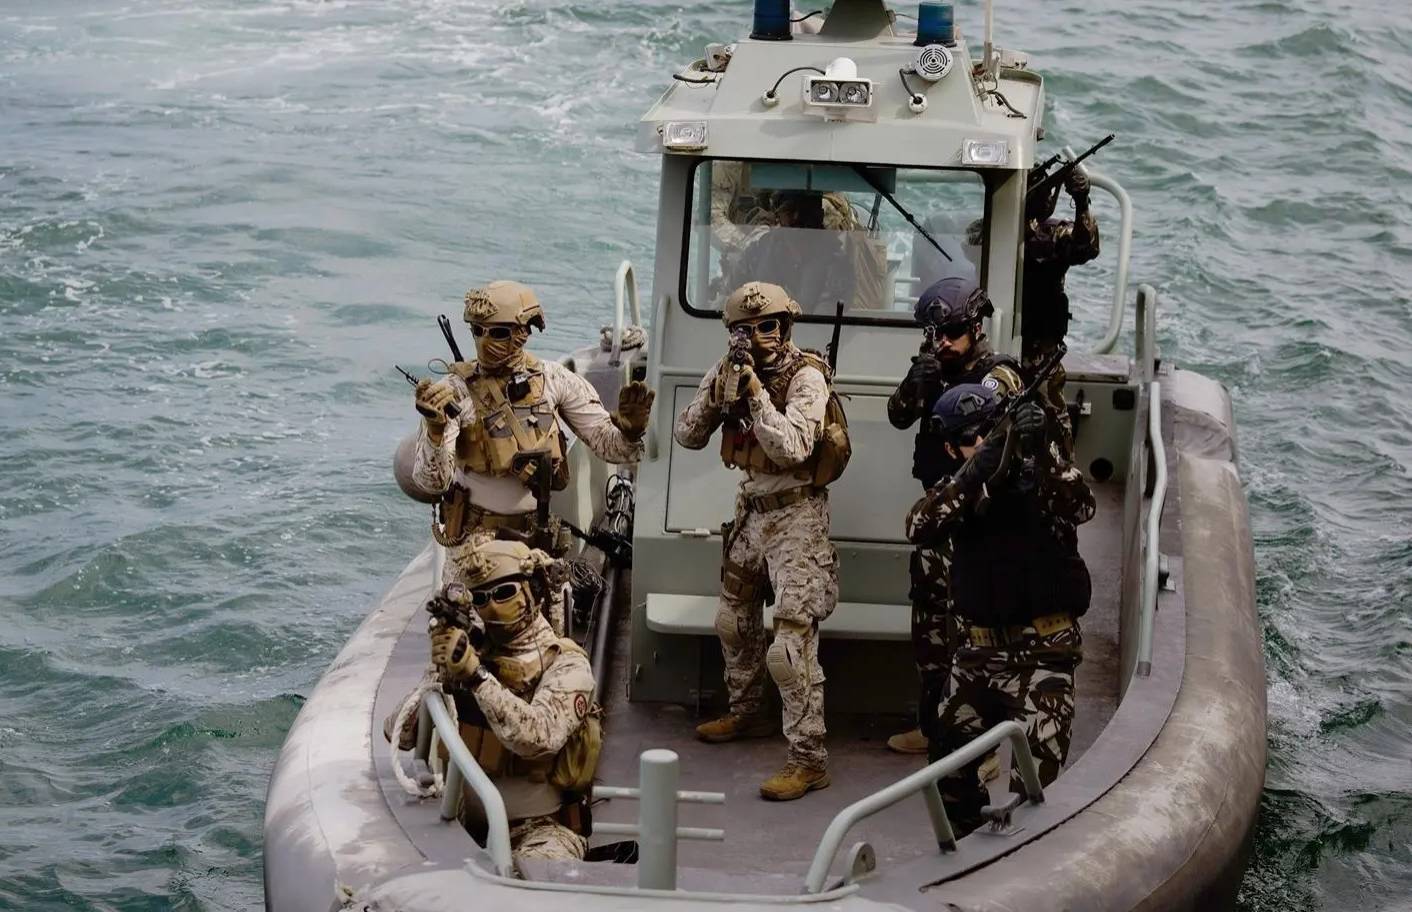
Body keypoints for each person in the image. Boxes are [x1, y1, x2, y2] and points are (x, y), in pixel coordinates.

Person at [673, 281, 849, 801]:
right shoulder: (728, 370)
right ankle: (747, 712)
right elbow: (687, 435)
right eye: (745, 329)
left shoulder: (807, 377)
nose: (758, 337)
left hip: (797, 516)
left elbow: (793, 448)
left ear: (786, 327)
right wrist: (718, 395)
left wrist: (755, 397)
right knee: (732, 619)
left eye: (768, 326)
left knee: (789, 647)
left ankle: (808, 759)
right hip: (752, 511)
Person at [412, 279, 654, 633]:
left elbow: (609, 445)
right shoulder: (455, 392)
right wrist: (435, 431)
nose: (484, 341)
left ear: (523, 332)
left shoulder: (554, 380)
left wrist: (630, 432)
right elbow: (431, 482)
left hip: (537, 543)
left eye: (496, 332)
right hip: (474, 546)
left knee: (547, 643)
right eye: (477, 331)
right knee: (470, 641)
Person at [906, 383, 1095, 838]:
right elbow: (919, 526)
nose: (980, 440)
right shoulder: (961, 490)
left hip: (1043, 654)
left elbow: (1082, 505)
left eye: (988, 430)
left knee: (1035, 791)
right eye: (968, 437)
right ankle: (968, 846)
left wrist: (1042, 447)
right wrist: (976, 470)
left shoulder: (1042, 478)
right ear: (951, 448)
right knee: (946, 769)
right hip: (978, 658)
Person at [883, 277, 1023, 756]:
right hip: (936, 513)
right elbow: (898, 415)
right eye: (935, 334)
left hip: (977, 522)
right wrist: (915, 383)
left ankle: (978, 744)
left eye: (952, 332)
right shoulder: (933, 367)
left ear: (976, 327)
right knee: (930, 632)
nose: (942, 342)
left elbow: (1001, 441)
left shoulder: (995, 376)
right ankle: (932, 727)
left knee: (974, 634)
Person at [428, 540, 599, 863]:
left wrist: (477, 677)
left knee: (535, 878)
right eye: (481, 598)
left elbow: (539, 738)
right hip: (459, 822)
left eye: (504, 593)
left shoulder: (566, 663)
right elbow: (400, 732)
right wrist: (441, 673)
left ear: (533, 590)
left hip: (540, 828)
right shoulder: (472, 654)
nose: (492, 606)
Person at [1022, 166, 1100, 449]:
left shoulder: (1054, 233)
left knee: (1053, 424)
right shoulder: (996, 226)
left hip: (1040, 349)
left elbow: (1085, 247)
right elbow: (972, 242)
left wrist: (1081, 201)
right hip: (998, 340)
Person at [723, 189, 887, 313]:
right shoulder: (758, 252)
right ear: (779, 216)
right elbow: (730, 297)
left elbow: (823, 324)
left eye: (805, 210)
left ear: (819, 215)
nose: (797, 218)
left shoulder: (837, 265)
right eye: (789, 211)